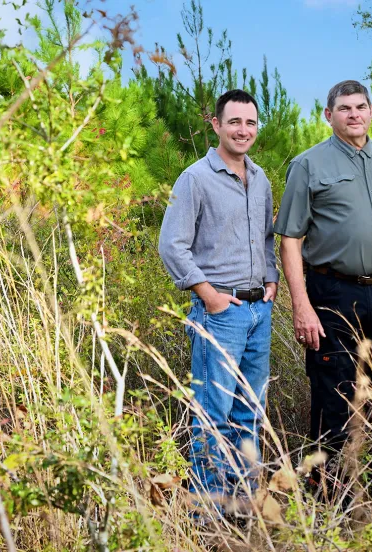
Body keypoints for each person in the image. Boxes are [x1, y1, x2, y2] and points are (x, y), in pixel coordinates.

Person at [274, 80, 372, 460]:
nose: (354, 115)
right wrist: (301, 306)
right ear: (328, 115)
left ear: (371, 111)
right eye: (345, 109)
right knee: (334, 387)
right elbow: (290, 240)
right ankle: (330, 486)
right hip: (334, 291)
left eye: (360, 107)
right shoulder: (308, 165)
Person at [158, 90, 278, 500]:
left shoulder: (260, 178)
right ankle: (208, 514)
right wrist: (208, 295)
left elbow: (265, 238)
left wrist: (272, 278)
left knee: (250, 413)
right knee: (214, 415)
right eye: (235, 122)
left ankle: (245, 507)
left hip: (259, 311)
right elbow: (172, 245)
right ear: (217, 125)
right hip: (219, 313)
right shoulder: (195, 178)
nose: (243, 130)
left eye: (250, 123)